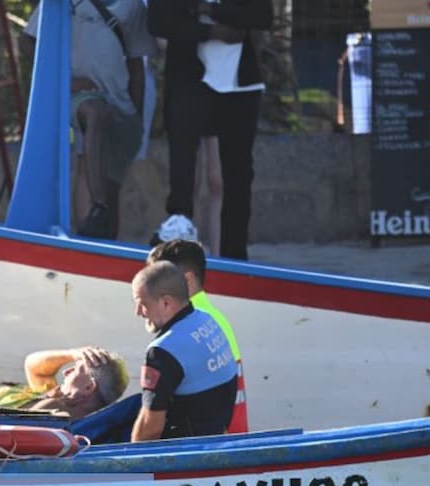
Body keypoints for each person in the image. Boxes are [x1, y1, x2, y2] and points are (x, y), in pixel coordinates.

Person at [21, 0, 158, 239]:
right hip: (79, 94)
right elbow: (27, 42)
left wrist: (136, 115)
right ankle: (96, 210)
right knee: (94, 116)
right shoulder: (59, 3)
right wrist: (65, 79)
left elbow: (136, 62)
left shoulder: (133, 5)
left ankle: (105, 241)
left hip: (119, 99)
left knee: (112, 180)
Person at [148, 0, 273, 259]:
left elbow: (262, 15)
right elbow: (159, 21)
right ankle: (178, 246)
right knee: (183, 165)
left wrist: (210, 10)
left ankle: (234, 257)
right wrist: (211, 32)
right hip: (188, 79)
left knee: (237, 176)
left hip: (240, 87)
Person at [147, 239, 248, 432]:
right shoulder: (212, 317)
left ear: (186, 281)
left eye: (157, 282)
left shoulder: (186, 324)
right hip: (229, 437)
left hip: (216, 441)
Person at [129, 261, 237, 441]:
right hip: (216, 435)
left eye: (142, 304)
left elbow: (150, 430)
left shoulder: (162, 351)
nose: (138, 312)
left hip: (186, 449)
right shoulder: (207, 320)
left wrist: (129, 457)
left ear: (166, 303)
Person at [0, 346, 129, 420]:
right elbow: (32, 366)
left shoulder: (54, 408)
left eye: (76, 369)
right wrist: (72, 354)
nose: (65, 372)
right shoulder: (53, 395)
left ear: (88, 387)